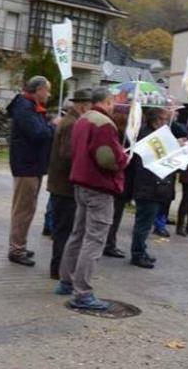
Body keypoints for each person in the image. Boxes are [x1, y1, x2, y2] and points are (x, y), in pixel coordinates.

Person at [57, 88, 128, 311]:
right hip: (99, 186)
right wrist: (123, 160)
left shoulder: (83, 119)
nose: (114, 106)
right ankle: (83, 292)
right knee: (94, 239)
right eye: (112, 103)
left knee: (78, 233)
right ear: (107, 102)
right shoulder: (104, 124)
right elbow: (106, 157)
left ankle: (66, 280)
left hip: (80, 183)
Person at [5, 76, 56, 266]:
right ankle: (16, 249)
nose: (49, 94)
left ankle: (20, 245)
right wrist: (53, 125)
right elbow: (39, 133)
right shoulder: (25, 108)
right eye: (47, 90)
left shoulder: (30, 107)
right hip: (26, 165)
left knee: (28, 208)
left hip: (32, 165)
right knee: (23, 210)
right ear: (39, 90)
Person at [46, 90, 87, 279]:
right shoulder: (72, 124)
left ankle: (59, 268)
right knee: (64, 229)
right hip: (65, 186)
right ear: (82, 105)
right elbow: (67, 154)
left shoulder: (70, 121)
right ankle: (59, 269)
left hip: (62, 184)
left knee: (64, 228)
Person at [130, 108, 178, 268]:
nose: (166, 123)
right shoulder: (148, 137)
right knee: (143, 223)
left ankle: (141, 250)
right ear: (156, 120)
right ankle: (137, 254)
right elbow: (152, 161)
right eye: (164, 119)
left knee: (146, 221)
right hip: (148, 186)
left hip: (152, 186)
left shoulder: (154, 134)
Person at [104, 112, 131, 259]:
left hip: (118, 182)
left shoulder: (119, 136)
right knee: (114, 214)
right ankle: (109, 243)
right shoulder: (120, 137)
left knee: (113, 214)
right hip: (118, 182)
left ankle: (109, 242)